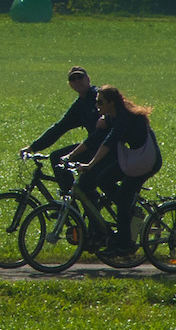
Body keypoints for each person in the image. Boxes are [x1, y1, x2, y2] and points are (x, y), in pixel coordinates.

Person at [67, 85, 162, 257]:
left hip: (147, 160)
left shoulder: (124, 117)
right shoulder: (112, 116)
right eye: (96, 101)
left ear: (111, 103)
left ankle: (125, 244)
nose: (97, 105)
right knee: (104, 179)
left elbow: (109, 142)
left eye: (100, 102)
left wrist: (90, 164)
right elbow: (95, 137)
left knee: (122, 197)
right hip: (134, 158)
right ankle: (127, 209)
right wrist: (70, 156)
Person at [17, 66, 102, 192]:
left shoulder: (99, 96)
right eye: (73, 79)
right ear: (70, 85)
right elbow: (59, 128)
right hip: (93, 147)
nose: (77, 81)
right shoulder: (80, 105)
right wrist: (32, 147)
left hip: (106, 147)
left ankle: (70, 205)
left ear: (88, 79)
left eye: (80, 77)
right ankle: (70, 205)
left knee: (83, 181)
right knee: (57, 158)